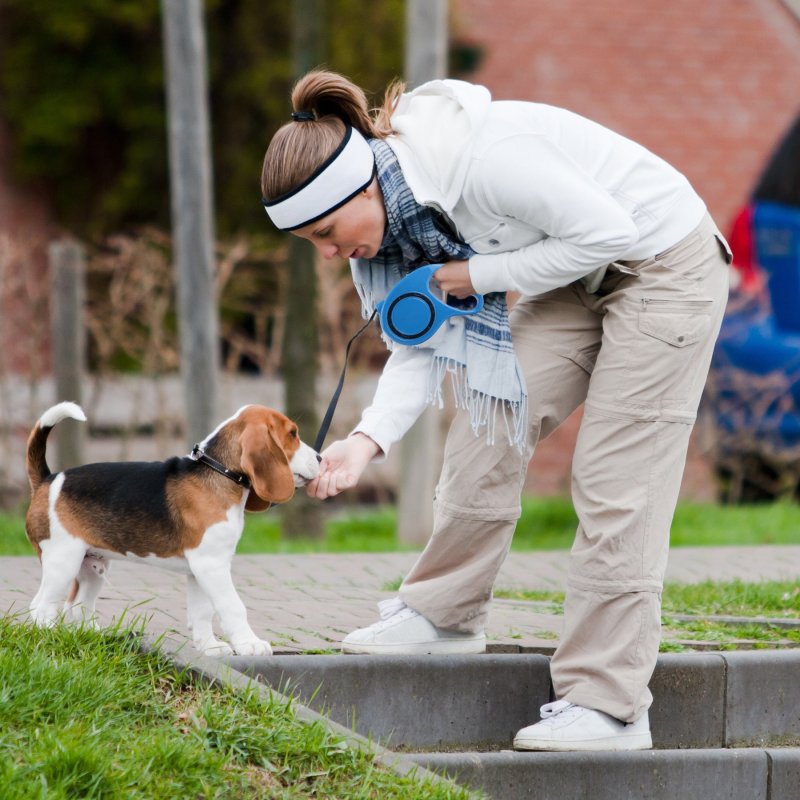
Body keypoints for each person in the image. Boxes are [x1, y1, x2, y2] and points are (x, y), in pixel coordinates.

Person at [260, 70, 730, 752]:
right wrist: (364, 442)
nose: (330, 254)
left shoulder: (481, 164)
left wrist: (475, 277)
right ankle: (445, 613)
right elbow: (422, 338)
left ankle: (610, 706)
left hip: (663, 264)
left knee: (614, 480)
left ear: (365, 185)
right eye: (311, 243)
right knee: (489, 412)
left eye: (328, 232)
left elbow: (608, 230)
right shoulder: (401, 228)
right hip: (573, 274)